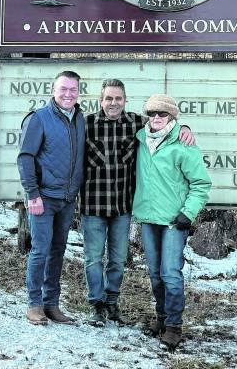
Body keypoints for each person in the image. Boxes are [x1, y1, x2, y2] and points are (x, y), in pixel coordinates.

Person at [81, 79, 195, 326]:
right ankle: (96, 306)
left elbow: (164, 125)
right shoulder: (85, 124)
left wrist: (185, 126)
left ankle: (112, 303)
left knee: (118, 259)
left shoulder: (136, 124)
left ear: (125, 100)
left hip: (123, 207)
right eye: (109, 98)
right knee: (92, 258)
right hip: (93, 205)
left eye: (118, 98)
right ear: (101, 100)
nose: (113, 103)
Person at [132, 94, 211, 349]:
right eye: (152, 113)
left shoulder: (183, 143)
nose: (156, 118)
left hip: (174, 221)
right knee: (155, 274)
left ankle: (174, 326)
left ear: (173, 117)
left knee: (170, 274)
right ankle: (162, 317)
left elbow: (201, 184)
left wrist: (188, 213)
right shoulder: (140, 139)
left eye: (162, 114)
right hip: (147, 217)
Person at [17, 70, 85, 326]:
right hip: (43, 198)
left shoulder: (79, 119)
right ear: (53, 90)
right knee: (40, 250)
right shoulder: (39, 118)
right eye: (63, 89)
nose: (68, 94)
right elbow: (25, 157)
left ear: (78, 93)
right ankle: (34, 304)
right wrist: (32, 194)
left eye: (73, 90)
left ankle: (51, 304)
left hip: (67, 199)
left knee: (58, 251)